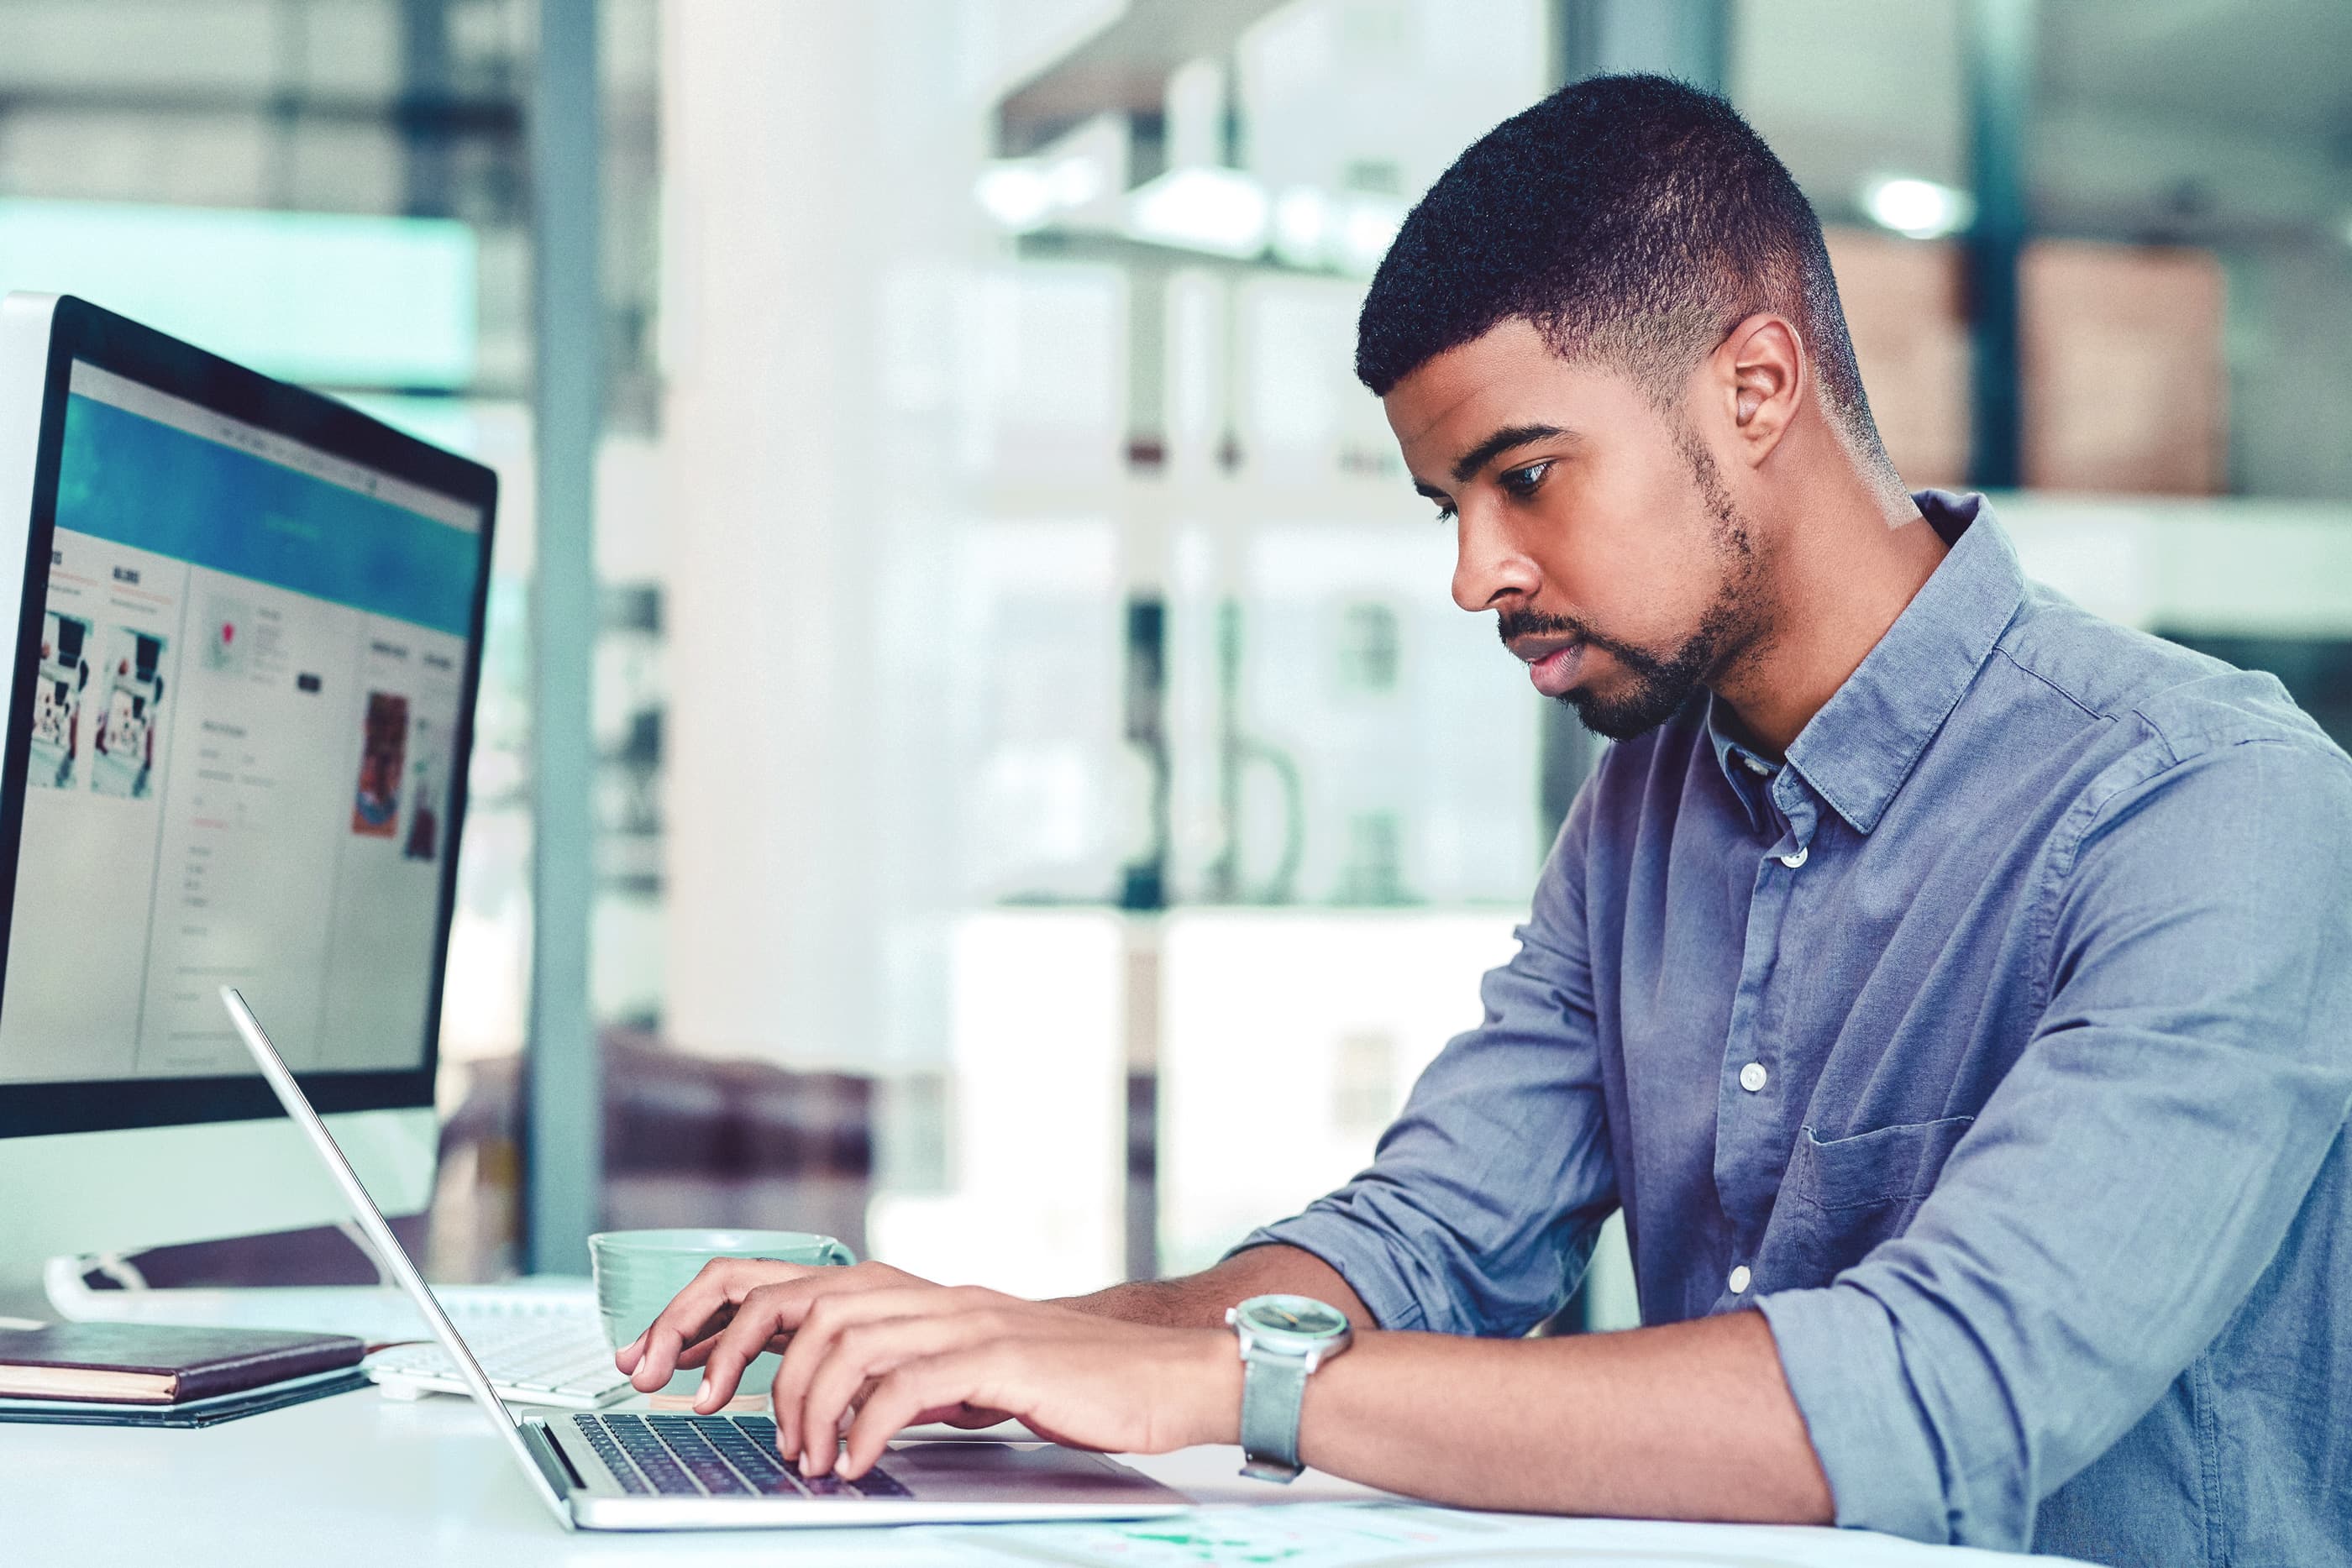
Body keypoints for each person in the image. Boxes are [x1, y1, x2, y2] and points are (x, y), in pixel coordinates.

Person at [616, 75, 2352, 1565]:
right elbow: (1424, 1244)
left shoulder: (2209, 807)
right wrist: (982, 1339)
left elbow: (1944, 1391)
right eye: (1446, 502)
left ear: (1755, 389)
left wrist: (1230, 1383)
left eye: (1523, 476)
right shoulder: (1649, 805)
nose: (1473, 575)